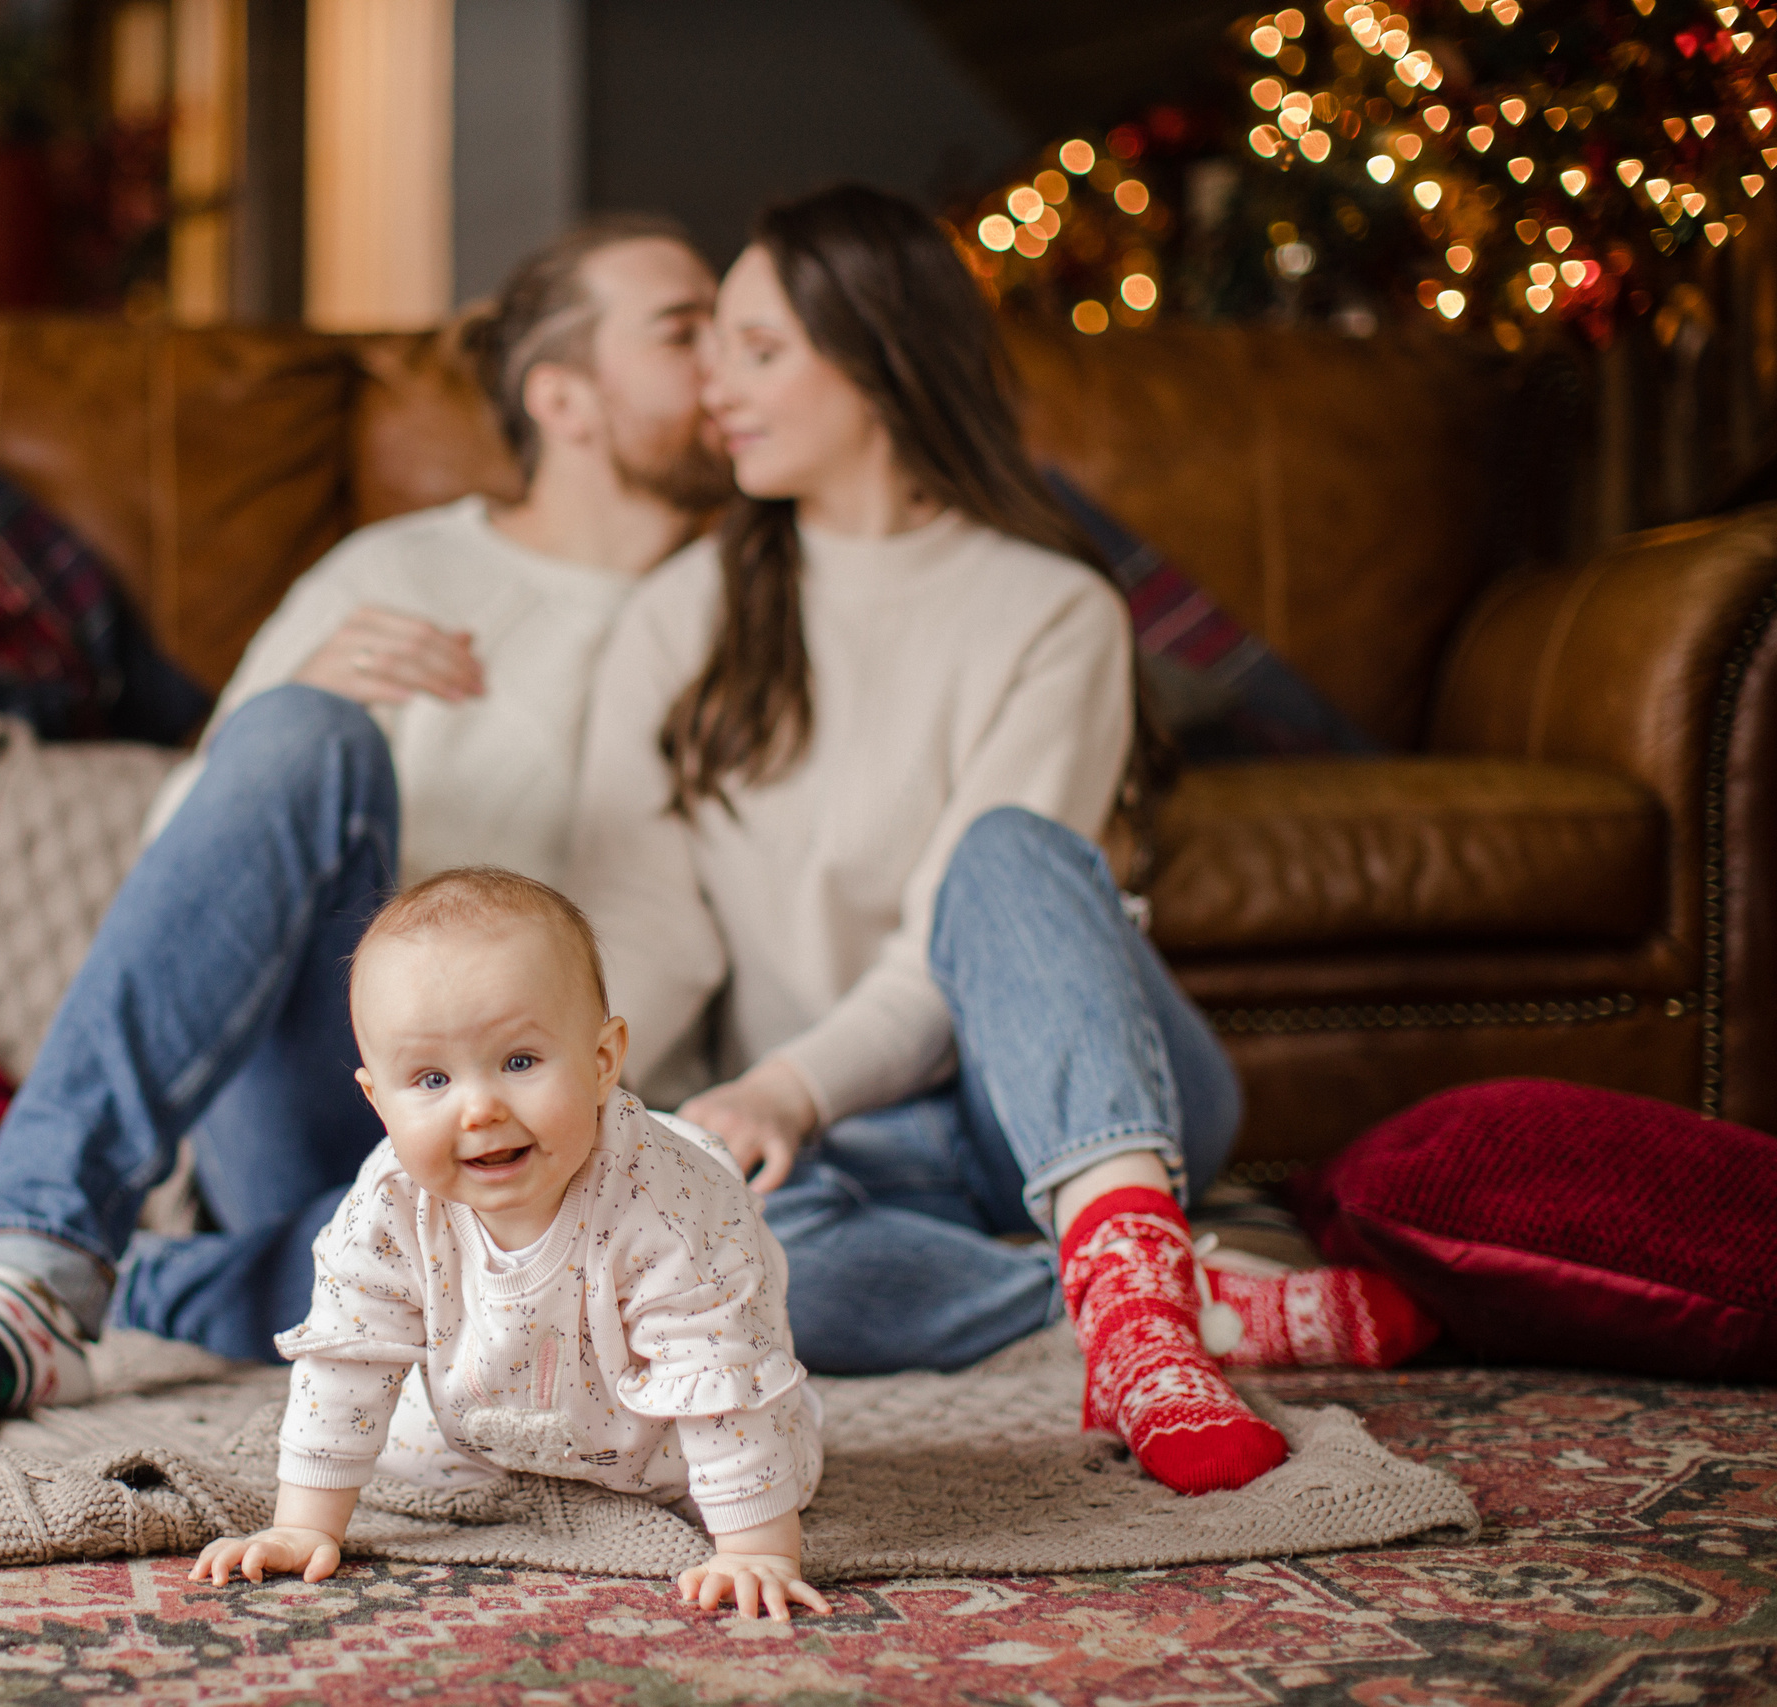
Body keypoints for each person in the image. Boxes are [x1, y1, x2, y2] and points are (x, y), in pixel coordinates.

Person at [0, 216, 731, 1469]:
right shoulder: (398, 565)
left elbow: (688, 926)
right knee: (301, 731)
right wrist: (294, 693)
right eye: (686, 330)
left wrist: (562, 1121)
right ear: (561, 396)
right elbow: (187, 868)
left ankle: (140, 1289)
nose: (731, 356)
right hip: (337, 1098)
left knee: (810, 1270)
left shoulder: (745, 613)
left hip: (565, 1138)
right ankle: (20, 1266)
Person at [567, 183, 1432, 1500]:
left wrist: (789, 1085)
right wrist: (605, 1119)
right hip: (854, 1137)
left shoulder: (1053, 610)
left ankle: (1140, 1322)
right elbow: (646, 916)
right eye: (711, 352)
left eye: (758, 350)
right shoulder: (678, 616)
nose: (715, 393)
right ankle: (1154, 1293)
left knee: (1008, 855)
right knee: (700, 1246)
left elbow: (950, 949)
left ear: (875, 360)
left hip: (1072, 1082)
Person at [188, 867, 829, 1624]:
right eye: (430, 1078)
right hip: (483, 1416)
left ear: (602, 1060)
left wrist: (757, 1549)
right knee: (386, 1433)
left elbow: (716, 1370)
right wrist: (303, 1523)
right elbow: (347, 1353)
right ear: (377, 1100)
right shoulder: (390, 1202)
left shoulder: (670, 1206)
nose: (480, 1107)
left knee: (755, 1451)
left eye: (519, 1062)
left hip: (663, 1441)